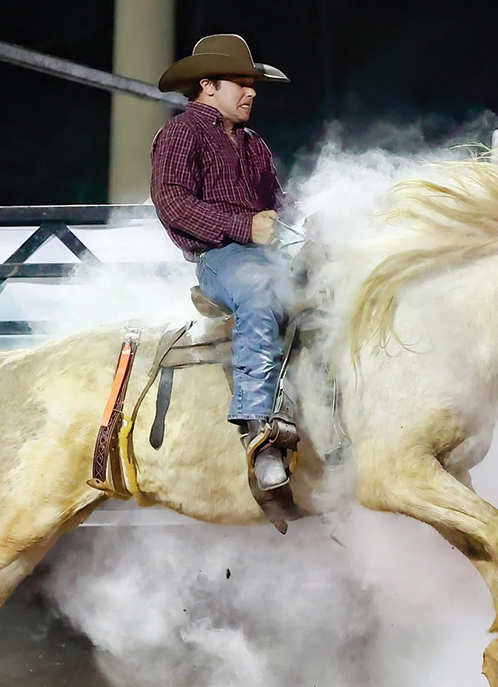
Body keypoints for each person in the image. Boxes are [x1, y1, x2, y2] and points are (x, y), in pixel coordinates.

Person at [150, 34, 293, 491]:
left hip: (269, 255)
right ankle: (259, 432)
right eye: (240, 83)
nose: (251, 92)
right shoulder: (181, 133)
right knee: (259, 293)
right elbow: (173, 203)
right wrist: (245, 227)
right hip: (220, 258)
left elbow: (279, 203)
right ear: (207, 85)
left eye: (253, 84)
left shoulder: (254, 144)